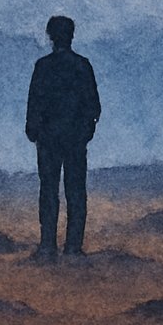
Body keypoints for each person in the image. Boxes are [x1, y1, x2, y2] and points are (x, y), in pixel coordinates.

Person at [26, 15, 101, 258]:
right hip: (74, 140)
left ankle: (48, 247)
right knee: (76, 192)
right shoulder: (82, 65)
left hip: (48, 140)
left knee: (48, 191)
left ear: (50, 36)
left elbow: (34, 104)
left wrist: (34, 131)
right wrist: (86, 131)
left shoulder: (43, 66)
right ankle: (73, 248)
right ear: (71, 35)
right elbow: (94, 106)